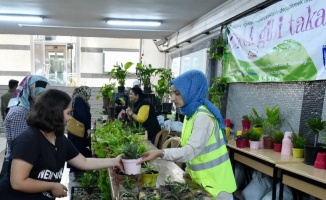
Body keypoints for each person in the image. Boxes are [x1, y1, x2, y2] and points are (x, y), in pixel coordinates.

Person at [0, 89, 123, 199]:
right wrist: (52, 186)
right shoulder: (28, 140)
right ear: (55, 113)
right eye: (68, 113)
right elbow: (18, 182)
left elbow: (83, 162)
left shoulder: (58, 138)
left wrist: (115, 161)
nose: (70, 118)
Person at [138, 70, 236, 199]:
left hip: (216, 187)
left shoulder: (203, 117)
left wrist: (161, 153)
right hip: (203, 183)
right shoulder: (191, 115)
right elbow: (196, 151)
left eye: (177, 94)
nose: (173, 98)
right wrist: (189, 172)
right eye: (173, 93)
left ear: (192, 92)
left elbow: (190, 151)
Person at [4, 75, 50, 160]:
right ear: (30, 90)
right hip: (22, 162)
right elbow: (20, 146)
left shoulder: (31, 107)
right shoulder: (19, 112)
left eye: (46, 94)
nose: (45, 99)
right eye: (40, 94)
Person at [67, 86, 92, 181]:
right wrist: (88, 128)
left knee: (78, 149)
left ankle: (77, 170)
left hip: (77, 132)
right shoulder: (79, 101)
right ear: (84, 92)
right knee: (78, 150)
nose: (89, 95)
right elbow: (83, 115)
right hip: (78, 132)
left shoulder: (78, 100)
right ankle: (73, 171)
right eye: (88, 93)